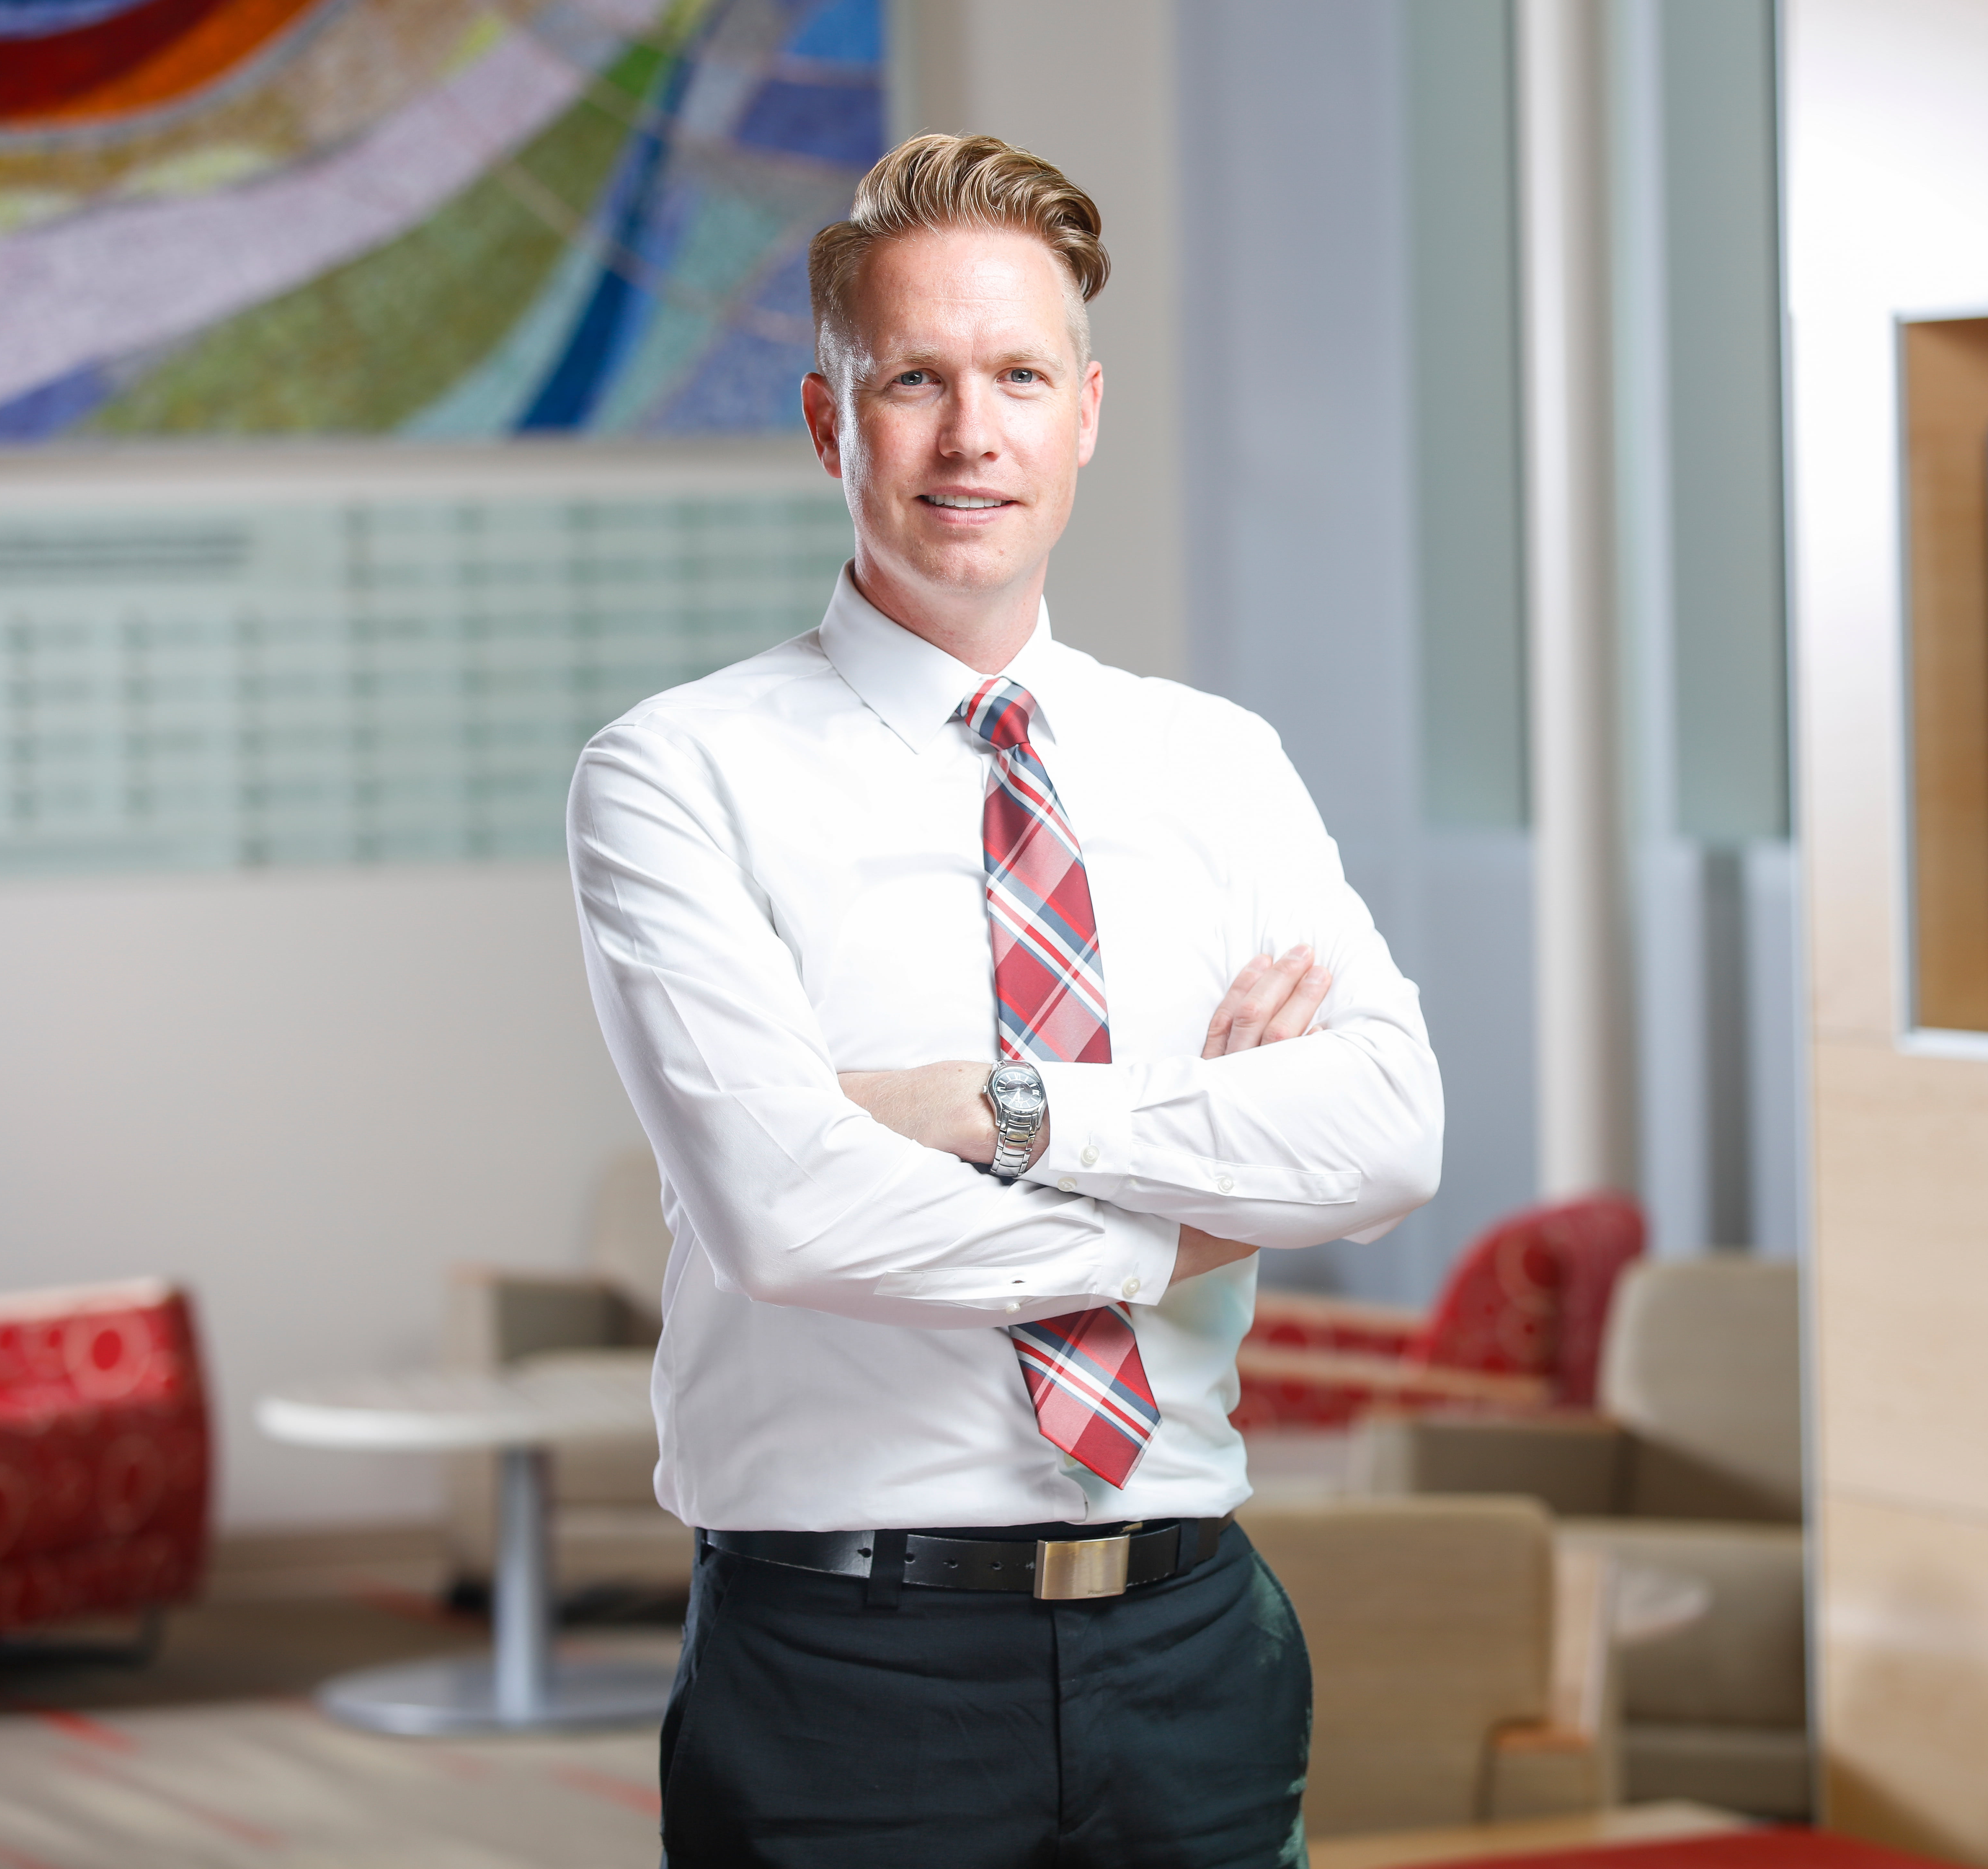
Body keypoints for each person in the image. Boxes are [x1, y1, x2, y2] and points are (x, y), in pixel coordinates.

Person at [566, 132, 1444, 1867]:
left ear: (1086, 414)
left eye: (1020, 378)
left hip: (1197, 1642)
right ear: (831, 424)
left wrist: (996, 1111)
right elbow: (793, 1218)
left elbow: (1389, 1137)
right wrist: (1200, 1204)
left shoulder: (1219, 764)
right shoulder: (675, 777)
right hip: (845, 1671)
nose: (973, 435)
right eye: (916, 380)